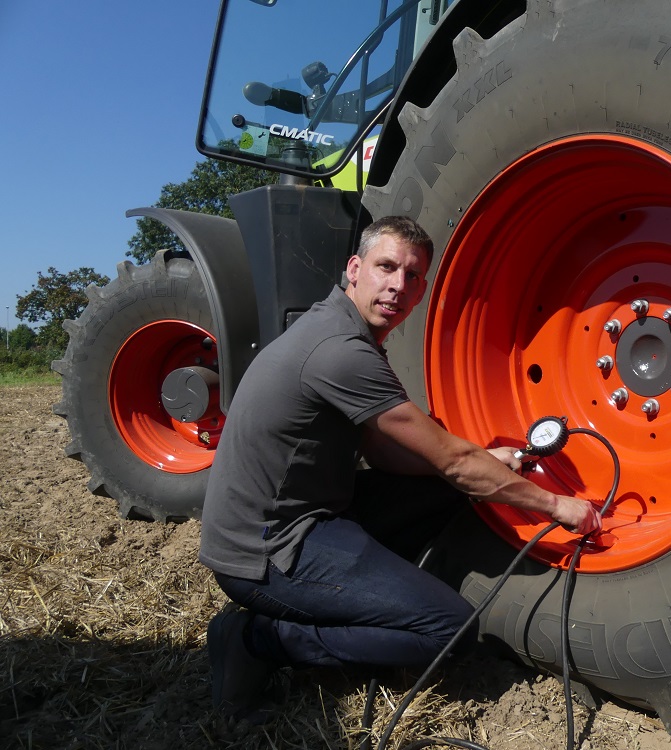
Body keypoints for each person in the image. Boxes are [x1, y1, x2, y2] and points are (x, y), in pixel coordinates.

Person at [199, 215, 601, 719]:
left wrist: (481, 466)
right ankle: (257, 639)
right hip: (266, 552)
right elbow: (454, 460)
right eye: (385, 267)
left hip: (309, 514)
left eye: (412, 276)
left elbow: (388, 453)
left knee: (452, 487)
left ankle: (376, 595)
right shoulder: (340, 351)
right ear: (355, 268)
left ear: (422, 290)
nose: (397, 286)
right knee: (449, 629)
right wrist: (555, 505)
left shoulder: (346, 330)